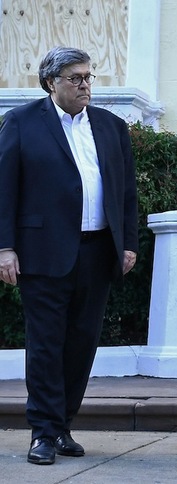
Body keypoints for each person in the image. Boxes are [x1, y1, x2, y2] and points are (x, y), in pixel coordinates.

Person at [0, 46, 138, 465]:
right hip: (42, 253)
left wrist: (127, 243)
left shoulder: (111, 127)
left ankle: (62, 426)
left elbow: (126, 193)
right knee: (45, 344)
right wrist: (4, 247)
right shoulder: (21, 123)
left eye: (88, 77)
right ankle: (42, 432)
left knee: (82, 343)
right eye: (75, 78)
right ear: (50, 83)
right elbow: (4, 189)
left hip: (97, 252)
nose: (85, 85)